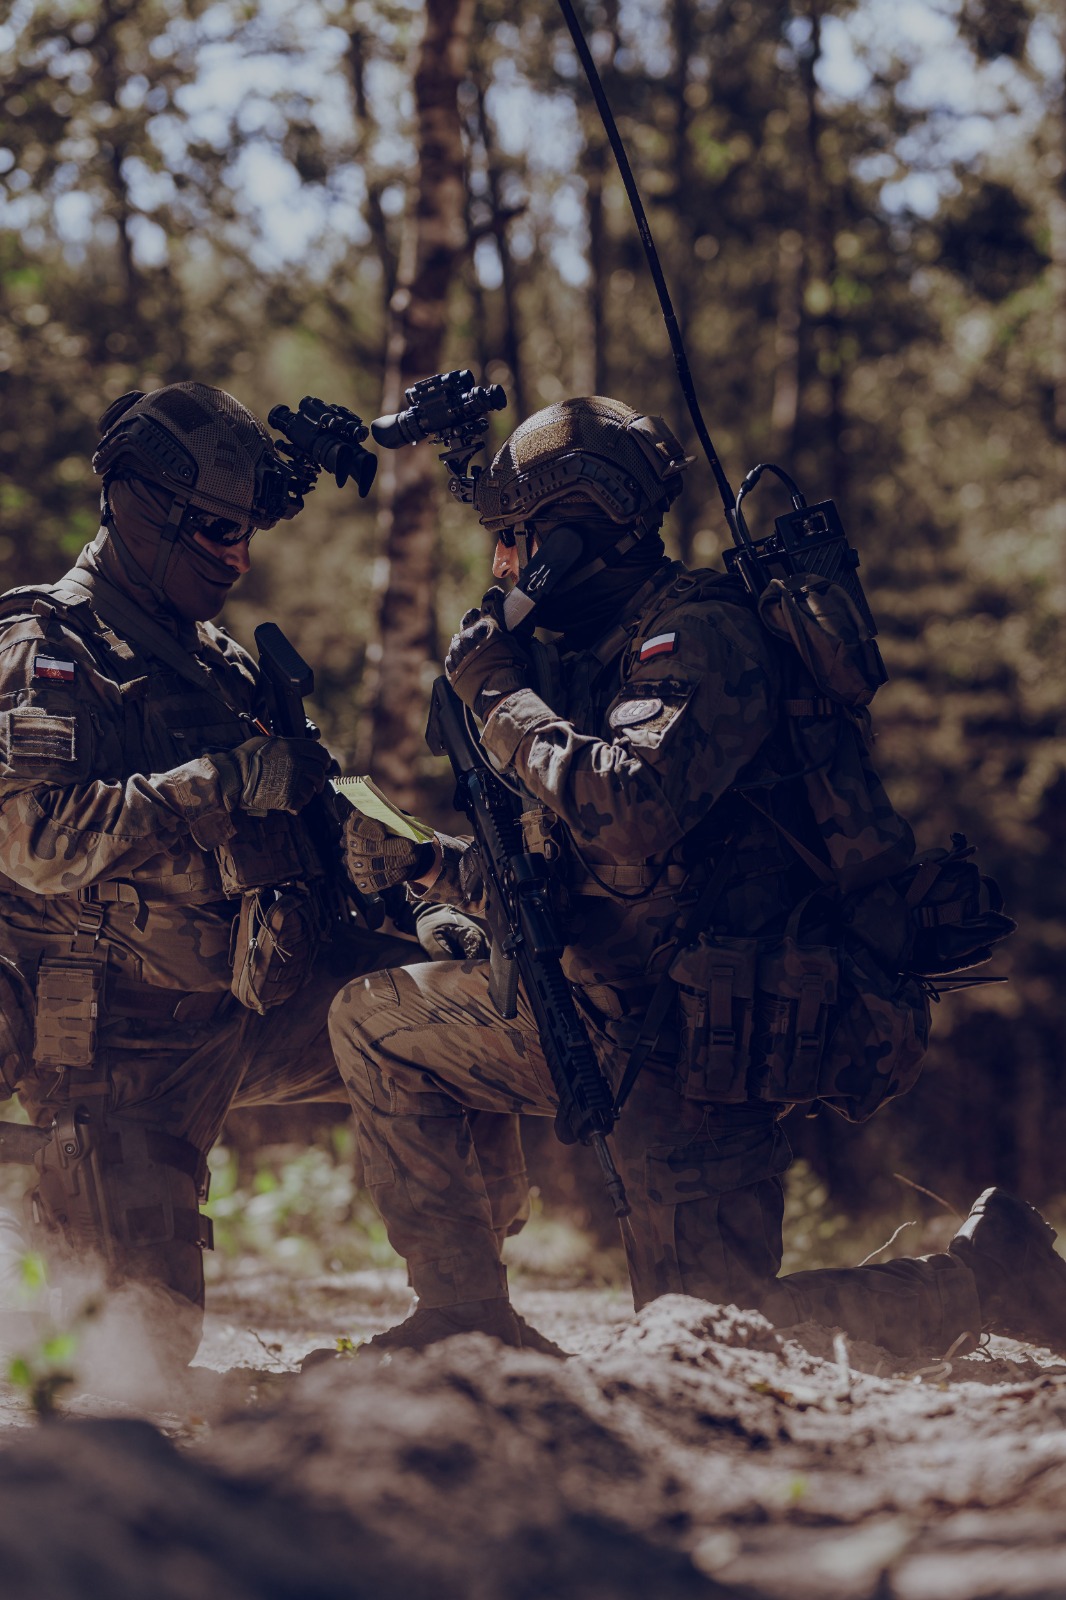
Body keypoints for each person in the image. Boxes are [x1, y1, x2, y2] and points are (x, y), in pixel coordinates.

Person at [328, 394, 1066, 1360]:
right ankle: (463, 1318)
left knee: (712, 1331)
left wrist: (500, 699)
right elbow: (572, 871)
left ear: (572, 537)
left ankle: (986, 1275)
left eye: (515, 541)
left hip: (700, 1041)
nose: (501, 568)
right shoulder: (585, 658)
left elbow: (630, 807)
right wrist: (434, 865)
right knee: (377, 1024)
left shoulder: (698, 638)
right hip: (600, 1011)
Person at [0, 380, 504, 1364]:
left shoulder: (220, 663)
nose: (237, 558)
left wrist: (416, 901)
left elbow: (328, 811)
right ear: (139, 508)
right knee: (140, 1352)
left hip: (258, 1001)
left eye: (245, 534)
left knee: (447, 1026)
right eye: (215, 532)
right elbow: (36, 840)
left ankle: (467, 1313)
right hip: (124, 1042)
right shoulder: (45, 648)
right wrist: (218, 783)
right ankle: (37, 1200)